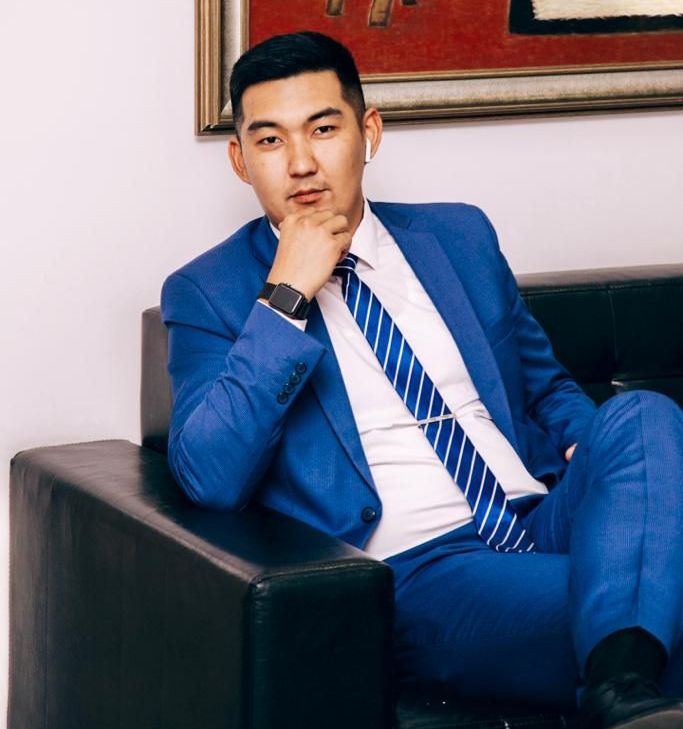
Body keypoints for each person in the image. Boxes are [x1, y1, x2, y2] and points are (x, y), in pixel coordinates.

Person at [161, 31, 683, 728]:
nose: (302, 163)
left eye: (323, 129)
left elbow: (548, 388)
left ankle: (620, 691)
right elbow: (209, 475)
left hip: (544, 514)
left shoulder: (457, 237)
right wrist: (286, 296)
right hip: (426, 569)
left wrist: (600, 466)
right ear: (240, 160)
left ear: (368, 132)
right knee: (653, 596)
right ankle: (625, 678)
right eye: (270, 140)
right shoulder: (209, 292)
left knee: (642, 413)